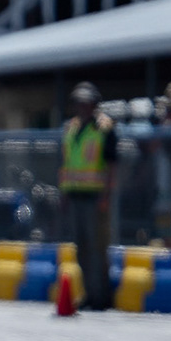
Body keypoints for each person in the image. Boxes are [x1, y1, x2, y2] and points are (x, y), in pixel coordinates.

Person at [60, 81, 118, 310]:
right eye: (78, 103)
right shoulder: (71, 128)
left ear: (94, 104)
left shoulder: (104, 128)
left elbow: (111, 166)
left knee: (97, 248)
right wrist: (64, 193)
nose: (81, 107)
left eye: (86, 103)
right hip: (75, 195)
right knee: (81, 247)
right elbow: (67, 163)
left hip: (95, 197)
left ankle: (102, 296)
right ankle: (89, 294)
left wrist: (106, 195)